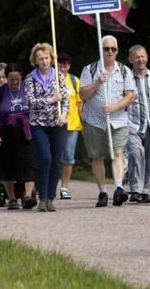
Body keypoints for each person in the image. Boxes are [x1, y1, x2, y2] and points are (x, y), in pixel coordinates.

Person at [79, 35, 135, 207]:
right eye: (106, 48)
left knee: (118, 153)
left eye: (113, 49)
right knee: (97, 157)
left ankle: (118, 188)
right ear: (101, 50)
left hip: (118, 120)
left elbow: (130, 95)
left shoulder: (124, 70)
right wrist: (97, 82)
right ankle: (102, 191)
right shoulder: (90, 69)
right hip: (94, 120)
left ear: (117, 51)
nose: (110, 52)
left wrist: (115, 107)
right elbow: (82, 95)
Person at [24, 43, 68, 212]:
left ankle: (50, 197)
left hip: (57, 123)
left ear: (51, 58)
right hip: (39, 124)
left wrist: (63, 114)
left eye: (47, 58)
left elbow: (65, 100)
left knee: (57, 160)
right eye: (40, 58)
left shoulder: (58, 76)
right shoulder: (30, 78)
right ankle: (42, 197)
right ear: (35, 61)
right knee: (45, 158)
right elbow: (30, 102)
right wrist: (50, 100)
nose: (44, 61)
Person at [0, 63, 37, 210]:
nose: (15, 83)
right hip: (6, 131)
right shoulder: (0, 92)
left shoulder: (28, 89)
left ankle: (28, 196)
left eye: (17, 79)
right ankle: (12, 199)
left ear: (21, 77)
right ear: (6, 79)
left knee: (29, 161)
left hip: (26, 130)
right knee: (7, 164)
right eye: (11, 80)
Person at [126, 45, 150, 204]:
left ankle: (145, 190)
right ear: (130, 60)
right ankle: (135, 189)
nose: (140, 59)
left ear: (147, 57)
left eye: (142, 56)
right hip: (132, 123)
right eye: (136, 57)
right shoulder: (126, 77)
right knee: (136, 153)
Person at [57, 54, 82, 200]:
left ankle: (64, 187)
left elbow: (79, 102)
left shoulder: (74, 80)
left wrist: (82, 121)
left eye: (65, 65)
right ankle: (48, 185)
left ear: (69, 66)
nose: (63, 68)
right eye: (60, 65)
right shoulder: (51, 80)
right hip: (55, 123)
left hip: (72, 125)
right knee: (52, 156)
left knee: (68, 156)